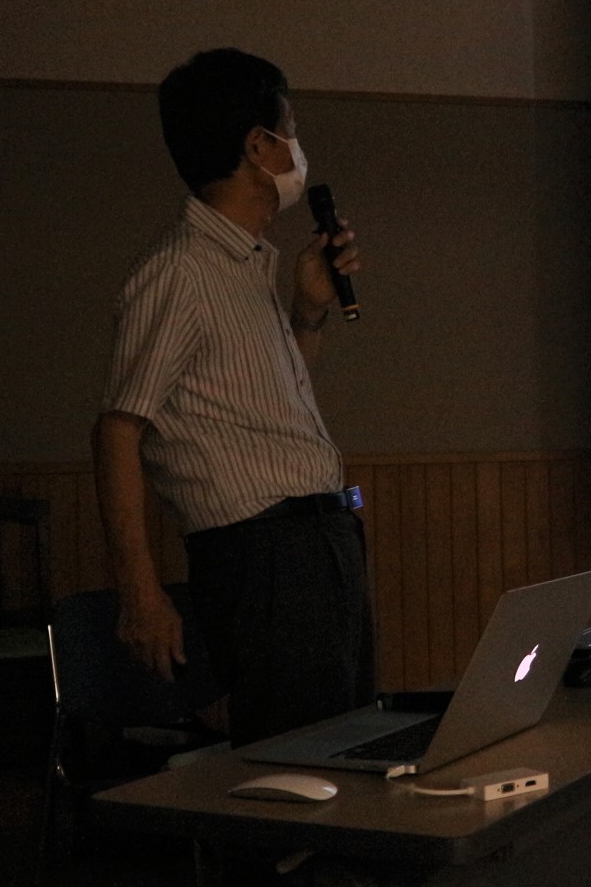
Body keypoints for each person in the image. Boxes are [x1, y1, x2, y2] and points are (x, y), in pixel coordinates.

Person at [93, 48, 372, 747]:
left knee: (347, 759)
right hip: (262, 557)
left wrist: (307, 313)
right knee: (295, 772)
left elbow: (279, 408)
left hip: (321, 540)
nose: (296, 148)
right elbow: (118, 428)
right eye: (289, 130)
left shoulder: (249, 266)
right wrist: (140, 591)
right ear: (257, 146)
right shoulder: (180, 271)